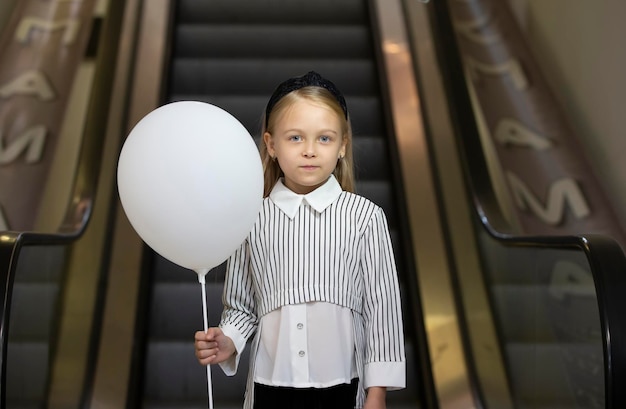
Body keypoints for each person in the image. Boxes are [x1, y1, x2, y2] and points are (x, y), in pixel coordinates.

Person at [194, 71, 405, 409]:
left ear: (342, 146)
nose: (309, 151)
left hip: (343, 385)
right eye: (295, 138)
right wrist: (228, 339)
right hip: (271, 385)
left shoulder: (364, 217)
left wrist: (376, 391)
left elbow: (381, 310)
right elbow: (242, 304)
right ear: (271, 144)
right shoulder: (252, 219)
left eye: (324, 138)